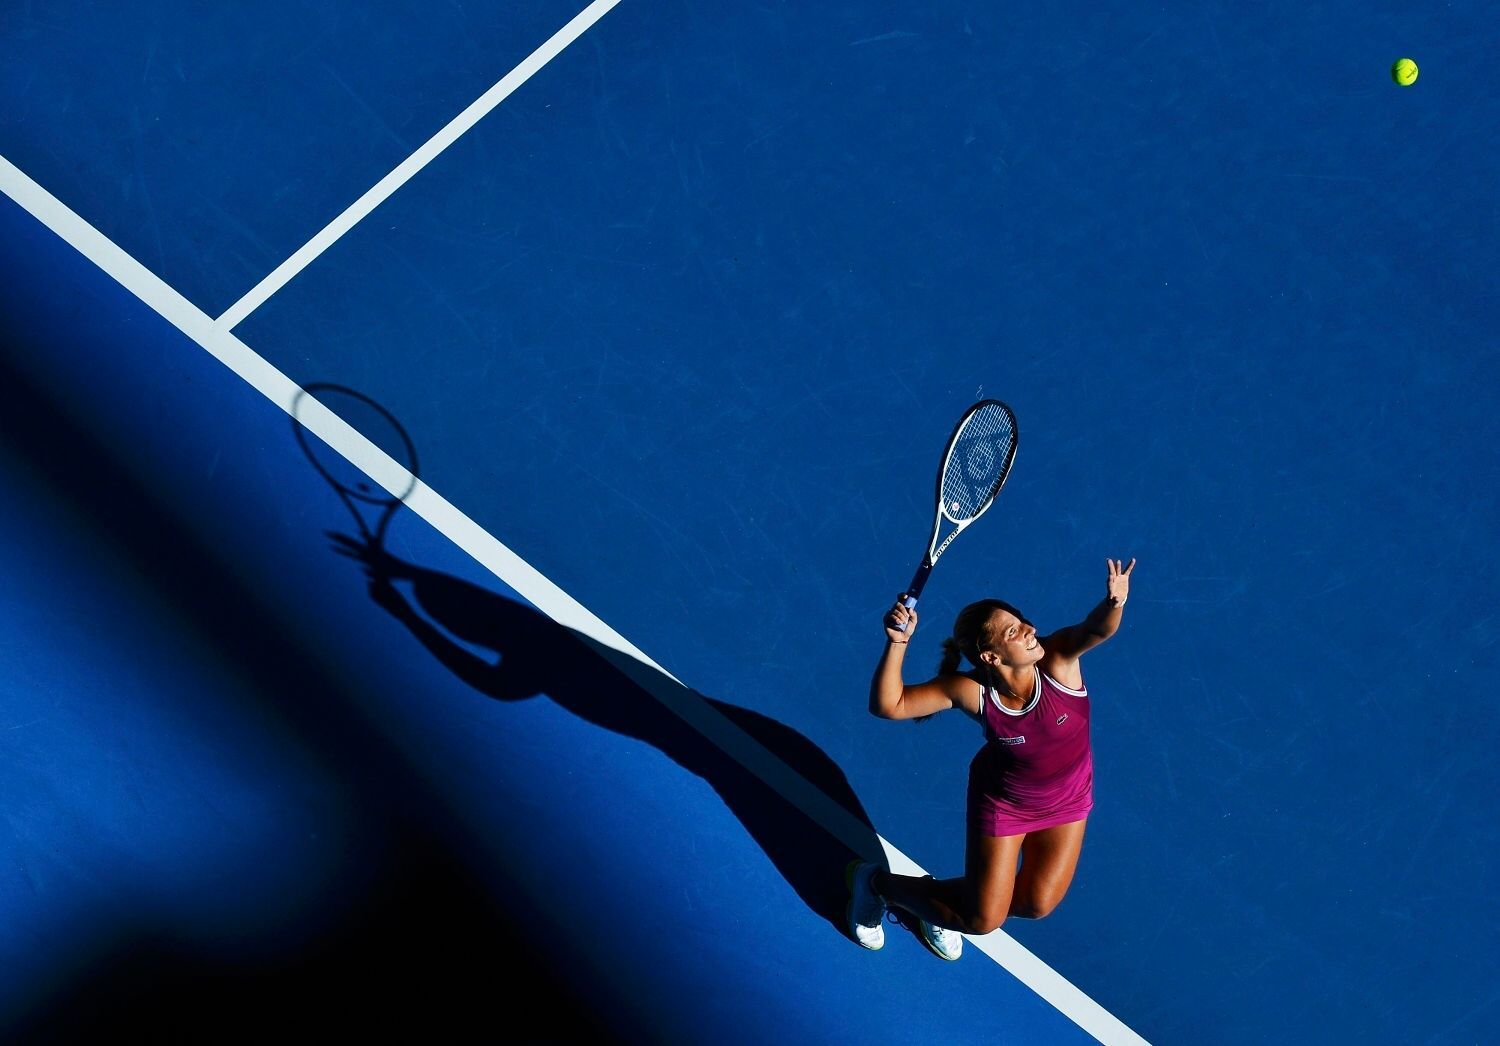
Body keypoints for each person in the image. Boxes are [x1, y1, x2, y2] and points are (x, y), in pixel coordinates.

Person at [846, 558, 1135, 959]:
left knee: (1036, 904)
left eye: (1022, 621)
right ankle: (878, 885)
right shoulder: (971, 692)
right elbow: (889, 705)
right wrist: (897, 642)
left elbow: (1097, 628)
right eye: (1014, 631)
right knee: (982, 921)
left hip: (1068, 797)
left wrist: (1114, 602)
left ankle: (940, 906)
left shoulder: (1059, 660)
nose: (1031, 629)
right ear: (991, 657)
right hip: (1006, 804)